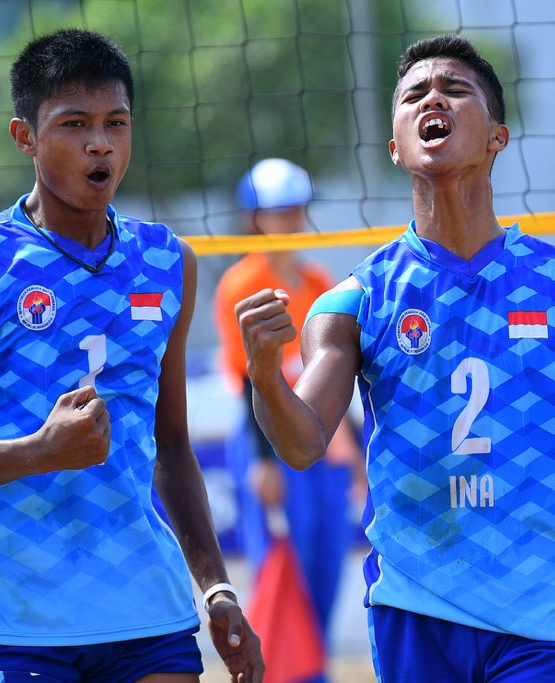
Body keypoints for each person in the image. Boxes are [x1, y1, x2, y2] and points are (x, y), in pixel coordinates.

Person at [234, 34, 555, 683]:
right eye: (414, 94)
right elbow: (302, 444)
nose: (433, 98)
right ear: (395, 145)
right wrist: (265, 374)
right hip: (417, 609)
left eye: (455, 89)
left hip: (546, 612)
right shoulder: (355, 300)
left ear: (497, 137)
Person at [0, 28, 263, 683]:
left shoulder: (167, 261)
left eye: (116, 123)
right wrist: (38, 450)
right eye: (74, 124)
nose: (101, 143)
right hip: (19, 623)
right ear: (25, 137)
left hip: (151, 617)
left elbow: (173, 447)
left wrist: (216, 588)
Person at [214, 158, 363, 671]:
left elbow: (334, 376)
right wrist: (262, 461)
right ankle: (282, 674)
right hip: (267, 435)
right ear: (255, 218)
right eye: (279, 210)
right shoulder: (240, 283)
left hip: (322, 436)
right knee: (283, 571)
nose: (290, 219)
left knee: (326, 564)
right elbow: (247, 381)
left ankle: (313, 671)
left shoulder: (316, 279)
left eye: (296, 208)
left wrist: (357, 451)